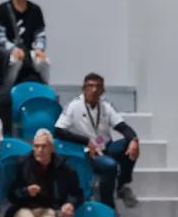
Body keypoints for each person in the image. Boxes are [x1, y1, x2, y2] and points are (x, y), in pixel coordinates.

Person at [55, 73, 140, 208]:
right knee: (110, 166)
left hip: (104, 145)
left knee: (130, 144)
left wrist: (134, 140)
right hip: (86, 151)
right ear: (83, 89)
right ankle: (107, 204)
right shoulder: (74, 105)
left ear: (103, 90)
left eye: (98, 86)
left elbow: (123, 128)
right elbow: (58, 131)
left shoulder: (106, 106)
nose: (94, 90)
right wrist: (86, 141)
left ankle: (122, 185)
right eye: (90, 86)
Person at [0, 0, 50, 91]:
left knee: (44, 61)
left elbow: (40, 33)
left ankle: (46, 91)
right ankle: (7, 91)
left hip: (30, 52)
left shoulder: (35, 9)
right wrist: (12, 49)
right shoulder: (3, 9)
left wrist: (39, 49)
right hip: (10, 52)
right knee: (15, 61)